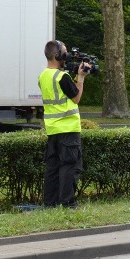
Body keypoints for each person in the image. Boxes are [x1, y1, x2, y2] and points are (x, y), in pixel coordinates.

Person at [39, 40, 91, 209]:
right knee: (70, 167)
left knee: (53, 168)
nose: (67, 56)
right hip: (68, 129)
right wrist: (81, 78)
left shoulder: (43, 76)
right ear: (57, 55)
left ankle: (50, 203)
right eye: (65, 52)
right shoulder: (62, 77)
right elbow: (76, 98)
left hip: (52, 129)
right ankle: (68, 203)